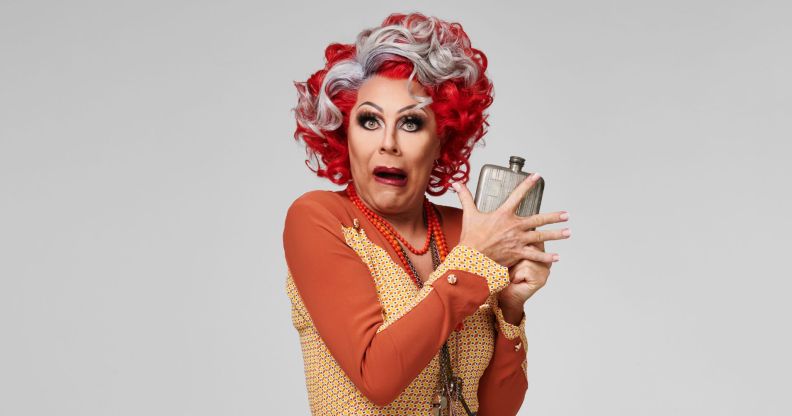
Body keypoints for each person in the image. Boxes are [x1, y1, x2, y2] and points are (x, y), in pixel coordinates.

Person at [283, 12, 571, 415]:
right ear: (343, 133)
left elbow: (495, 410)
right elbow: (377, 375)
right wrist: (474, 262)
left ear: (442, 140)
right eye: (369, 120)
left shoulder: (466, 232)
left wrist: (510, 307)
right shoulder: (318, 219)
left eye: (411, 123)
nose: (388, 143)